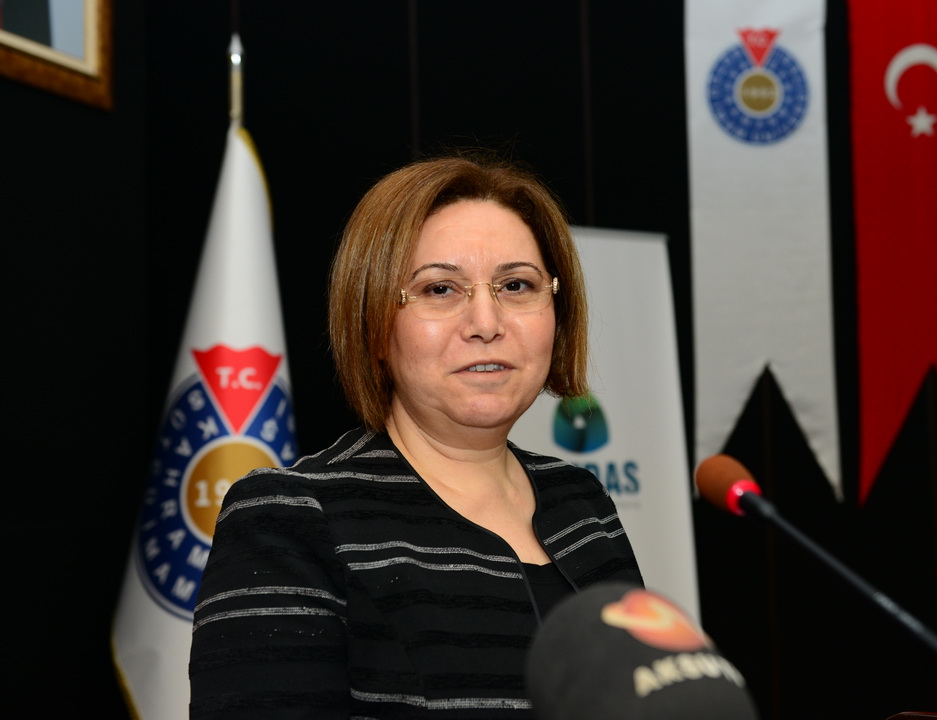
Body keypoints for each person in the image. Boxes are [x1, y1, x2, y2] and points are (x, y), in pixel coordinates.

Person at [188, 152, 644, 719]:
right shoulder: (292, 518)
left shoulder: (582, 504)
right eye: (440, 289)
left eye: (517, 285)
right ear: (375, 324)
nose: (486, 323)